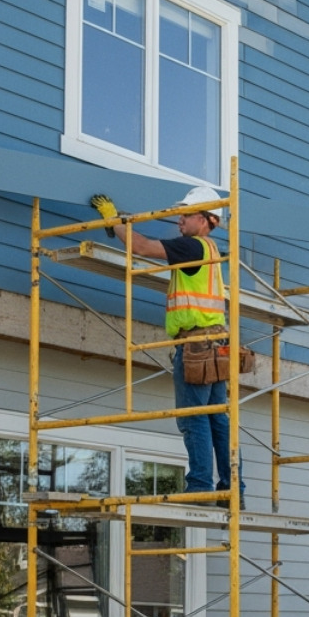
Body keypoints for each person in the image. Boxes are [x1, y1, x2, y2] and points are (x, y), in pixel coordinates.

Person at [94, 187, 242, 504]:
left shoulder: (193, 247)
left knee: (194, 417)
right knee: (218, 418)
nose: (179, 220)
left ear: (205, 219)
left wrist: (115, 220)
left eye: (185, 215)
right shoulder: (213, 249)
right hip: (217, 343)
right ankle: (233, 489)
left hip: (197, 344)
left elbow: (143, 247)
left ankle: (200, 487)